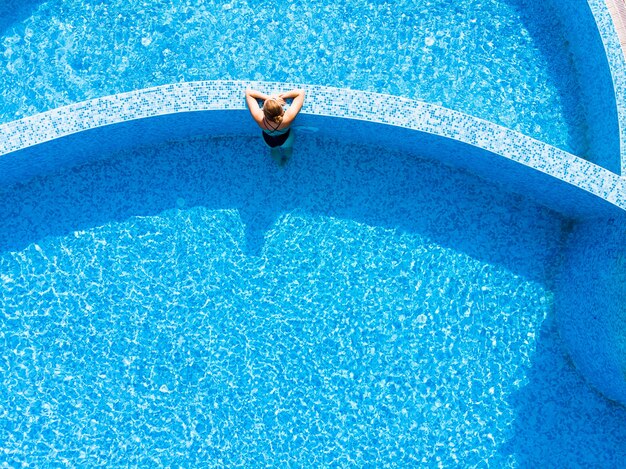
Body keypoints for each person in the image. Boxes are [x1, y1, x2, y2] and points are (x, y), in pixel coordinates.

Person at [245, 88, 305, 165]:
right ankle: (286, 160)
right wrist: (280, 97)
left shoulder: (259, 118)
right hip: (286, 139)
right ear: (281, 110)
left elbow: (248, 93)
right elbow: (300, 92)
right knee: (287, 148)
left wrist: (268, 98)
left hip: (268, 139)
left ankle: (279, 163)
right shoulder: (288, 118)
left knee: (273, 149)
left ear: (264, 111)